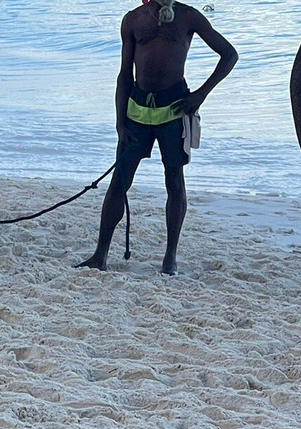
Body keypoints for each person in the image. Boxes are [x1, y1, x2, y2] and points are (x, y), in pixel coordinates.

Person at [77, 0, 237, 275]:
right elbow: (124, 75)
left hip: (174, 110)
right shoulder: (133, 20)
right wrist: (119, 122)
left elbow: (229, 55)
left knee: (174, 182)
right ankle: (100, 254)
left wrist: (200, 95)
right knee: (119, 183)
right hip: (136, 112)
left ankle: (170, 258)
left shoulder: (189, 17)